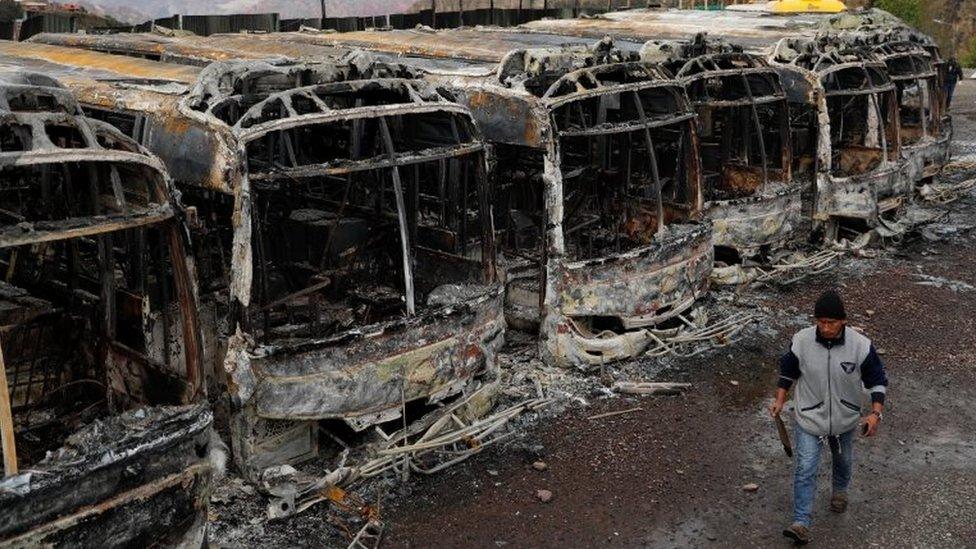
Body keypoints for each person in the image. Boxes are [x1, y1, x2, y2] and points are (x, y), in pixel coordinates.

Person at [769, 290, 888, 545]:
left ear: (843, 321)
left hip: (845, 418)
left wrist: (875, 413)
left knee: (842, 461)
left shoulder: (860, 346)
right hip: (810, 417)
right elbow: (788, 372)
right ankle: (801, 522)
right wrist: (779, 400)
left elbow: (877, 380)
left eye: (831, 322)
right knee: (805, 468)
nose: (825, 327)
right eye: (820, 321)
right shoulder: (801, 341)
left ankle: (840, 491)